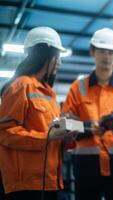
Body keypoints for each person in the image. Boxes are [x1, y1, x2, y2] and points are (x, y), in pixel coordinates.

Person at [62, 28, 113, 200]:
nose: (107, 57)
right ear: (92, 52)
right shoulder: (78, 88)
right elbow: (65, 124)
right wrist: (90, 128)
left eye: (112, 52)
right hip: (86, 166)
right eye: (102, 51)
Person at [0, 27, 67, 200]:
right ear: (44, 55)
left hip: (50, 180)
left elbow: (51, 135)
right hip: (26, 184)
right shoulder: (20, 86)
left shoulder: (48, 93)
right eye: (57, 56)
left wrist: (66, 137)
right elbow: (5, 133)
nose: (59, 62)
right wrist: (48, 137)